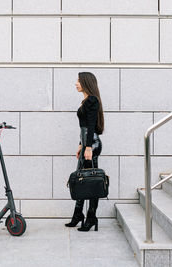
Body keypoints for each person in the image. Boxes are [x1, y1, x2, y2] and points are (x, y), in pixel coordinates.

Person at [65, 72, 104, 231]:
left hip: (92, 145)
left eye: (79, 81)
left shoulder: (92, 100)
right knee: (81, 179)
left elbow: (91, 125)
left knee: (92, 181)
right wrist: (81, 145)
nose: (76, 83)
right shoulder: (87, 101)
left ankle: (91, 217)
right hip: (88, 144)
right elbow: (84, 127)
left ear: (86, 83)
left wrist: (88, 147)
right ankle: (78, 215)